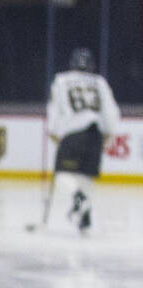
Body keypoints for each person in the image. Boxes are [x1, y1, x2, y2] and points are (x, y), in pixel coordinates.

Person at [45, 47, 121, 235]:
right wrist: (108, 133)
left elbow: (54, 108)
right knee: (86, 177)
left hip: (73, 133)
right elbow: (111, 112)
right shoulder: (100, 82)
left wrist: (54, 130)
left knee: (63, 175)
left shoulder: (61, 80)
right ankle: (85, 220)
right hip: (95, 133)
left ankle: (78, 200)